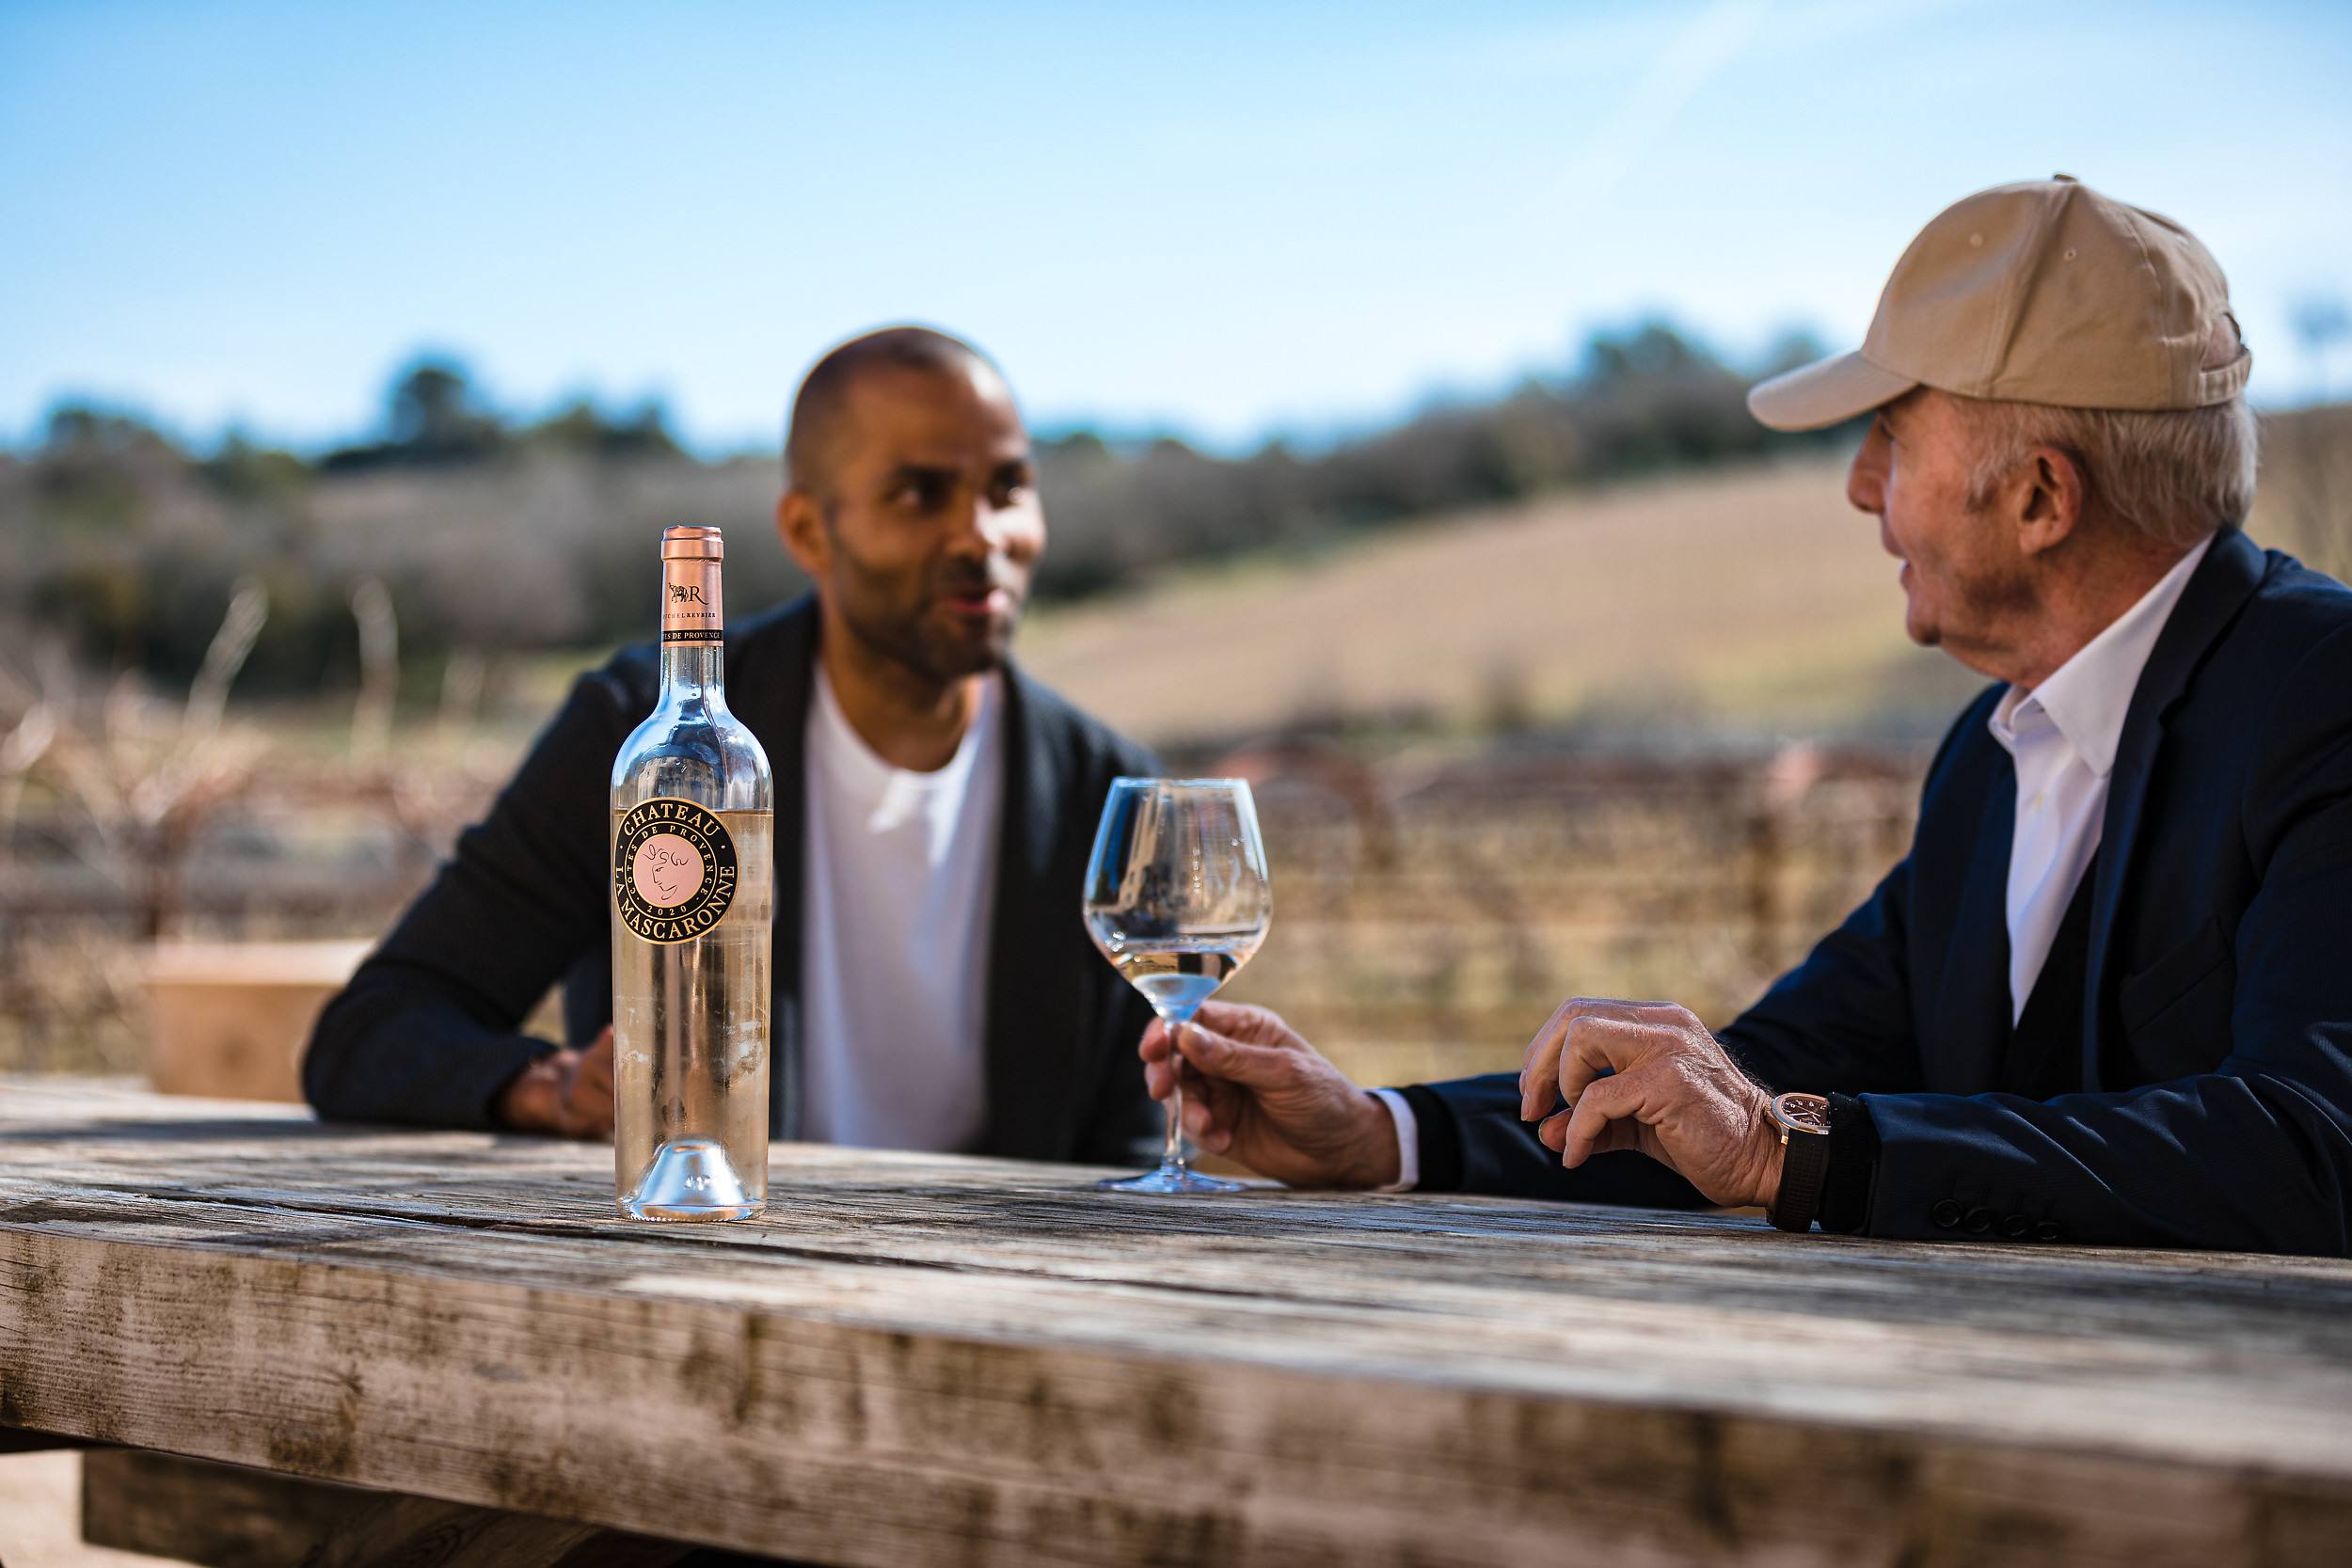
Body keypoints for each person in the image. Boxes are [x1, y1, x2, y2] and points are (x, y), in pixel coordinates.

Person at [1145, 176, 2352, 1255]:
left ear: (2039, 495)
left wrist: (1796, 1151)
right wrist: (1383, 1133)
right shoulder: (1993, 758)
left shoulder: (2325, 694)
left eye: (1890, 434)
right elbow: (1772, 1073)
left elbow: (2315, 1143)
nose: (1859, 485)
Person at [305, 326, 1159, 1164]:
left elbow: (1131, 1145)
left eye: (1009, 488)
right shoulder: (643, 737)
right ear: (807, 531)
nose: (982, 536)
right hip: (711, 1262)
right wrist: (549, 1089)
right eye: (918, 495)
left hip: (997, 1291)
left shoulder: (1105, 789)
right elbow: (372, 1031)